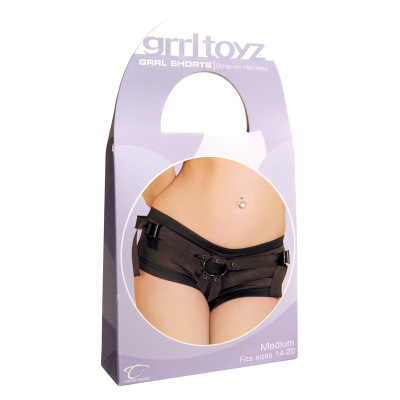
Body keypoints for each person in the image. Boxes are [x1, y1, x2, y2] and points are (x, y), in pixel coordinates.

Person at [133, 157, 287, 345]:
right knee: (183, 361)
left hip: (257, 268)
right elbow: (154, 188)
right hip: (177, 247)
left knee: (240, 362)